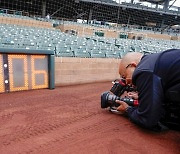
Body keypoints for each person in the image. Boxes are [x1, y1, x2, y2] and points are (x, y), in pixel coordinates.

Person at [116, 49, 180, 131]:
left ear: (133, 65)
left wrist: (128, 110)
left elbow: (147, 119)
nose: (126, 82)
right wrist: (144, 97)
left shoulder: (143, 70)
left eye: (124, 76)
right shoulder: (153, 61)